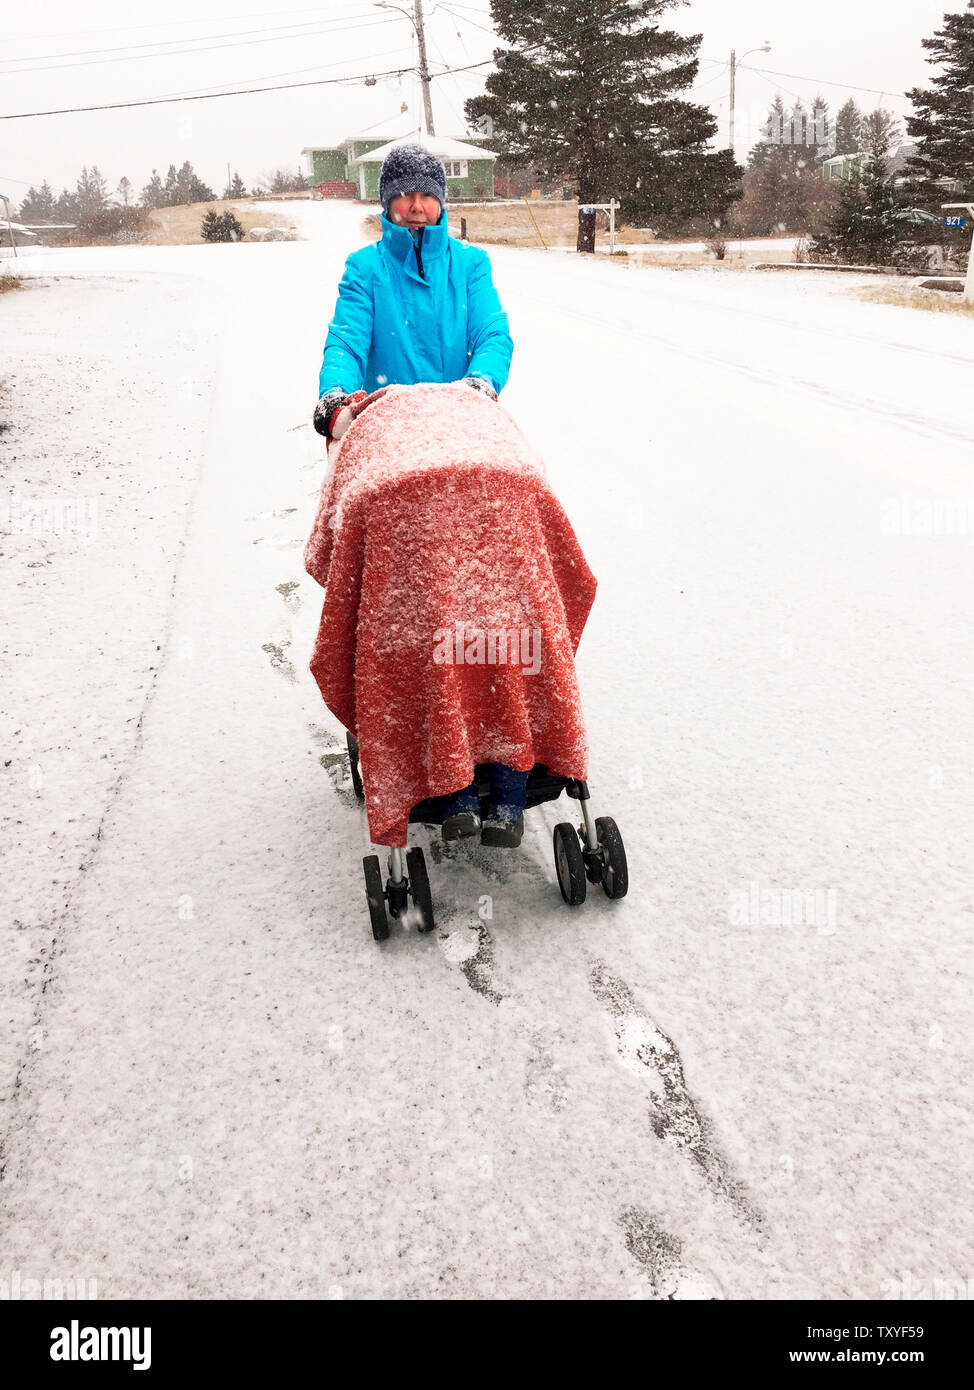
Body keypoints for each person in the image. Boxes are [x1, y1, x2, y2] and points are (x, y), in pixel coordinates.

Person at [312, 142, 529, 848]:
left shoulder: (470, 266)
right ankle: (439, 765)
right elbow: (346, 338)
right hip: (401, 460)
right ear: (386, 202)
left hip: (468, 451)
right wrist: (337, 395)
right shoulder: (365, 269)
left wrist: (480, 383)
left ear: (442, 201)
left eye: (425, 194)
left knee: (493, 596)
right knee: (420, 602)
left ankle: (506, 771)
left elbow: (493, 335)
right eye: (402, 194)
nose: (414, 204)